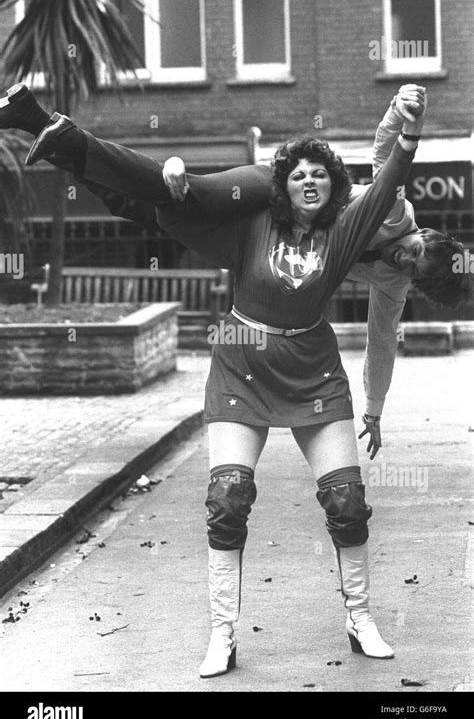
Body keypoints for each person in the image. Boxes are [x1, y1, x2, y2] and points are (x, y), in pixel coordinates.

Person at [1, 83, 426, 677]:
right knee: (228, 500)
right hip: (243, 367)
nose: (310, 182)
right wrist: (397, 117)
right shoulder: (255, 223)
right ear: (420, 238)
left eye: (320, 177)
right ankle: (221, 634)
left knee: (347, 504)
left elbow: (384, 185)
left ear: (334, 193)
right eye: (301, 174)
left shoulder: (351, 239)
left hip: (313, 373)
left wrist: (413, 135)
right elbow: (177, 213)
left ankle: (361, 618)